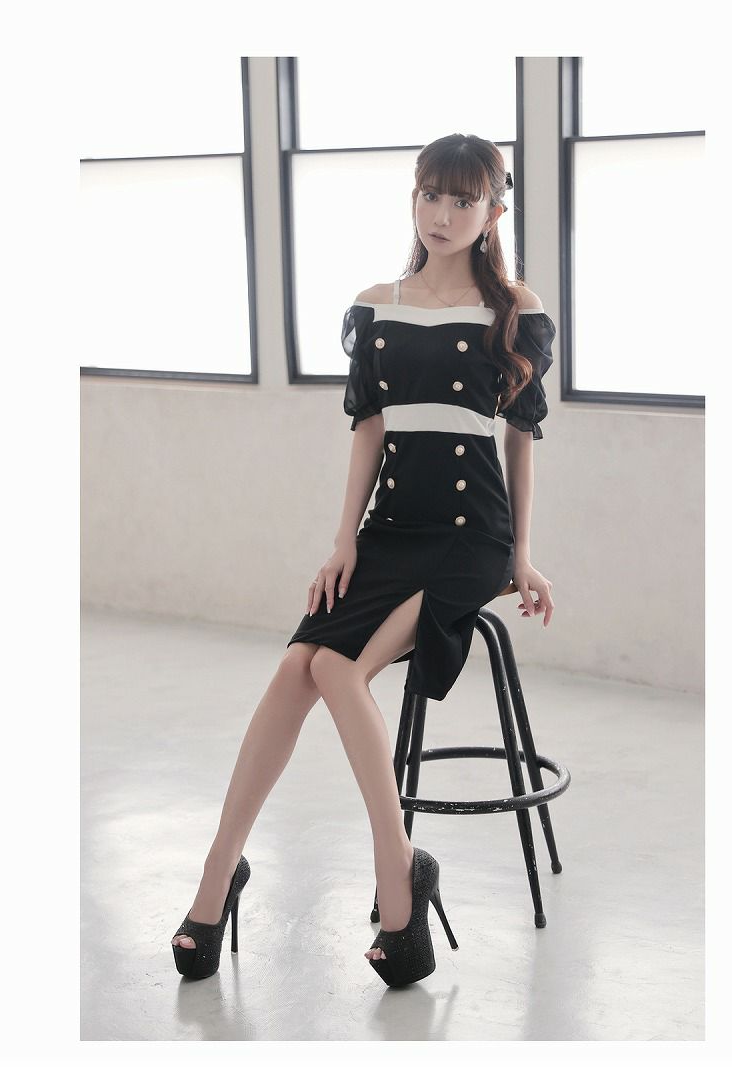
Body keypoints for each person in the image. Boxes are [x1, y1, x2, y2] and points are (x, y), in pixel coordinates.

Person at [172, 132, 556, 987]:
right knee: (296, 664)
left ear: (495, 212)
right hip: (389, 529)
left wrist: (523, 556)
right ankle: (219, 870)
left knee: (337, 668)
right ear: (413, 199)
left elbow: (521, 441)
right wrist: (343, 538)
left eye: (463, 200)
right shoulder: (377, 306)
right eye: (430, 194)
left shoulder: (514, 310)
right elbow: (369, 432)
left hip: (469, 534)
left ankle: (397, 878)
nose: (442, 213)